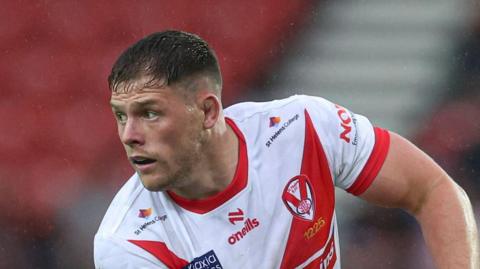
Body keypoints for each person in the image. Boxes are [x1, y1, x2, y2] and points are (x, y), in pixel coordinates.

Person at [93, 30, 479, 269]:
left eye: (149, 113)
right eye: (120, 116)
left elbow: (433, 190)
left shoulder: (300, 128)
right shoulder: (130, 243)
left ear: (208, 110)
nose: (129, 135)